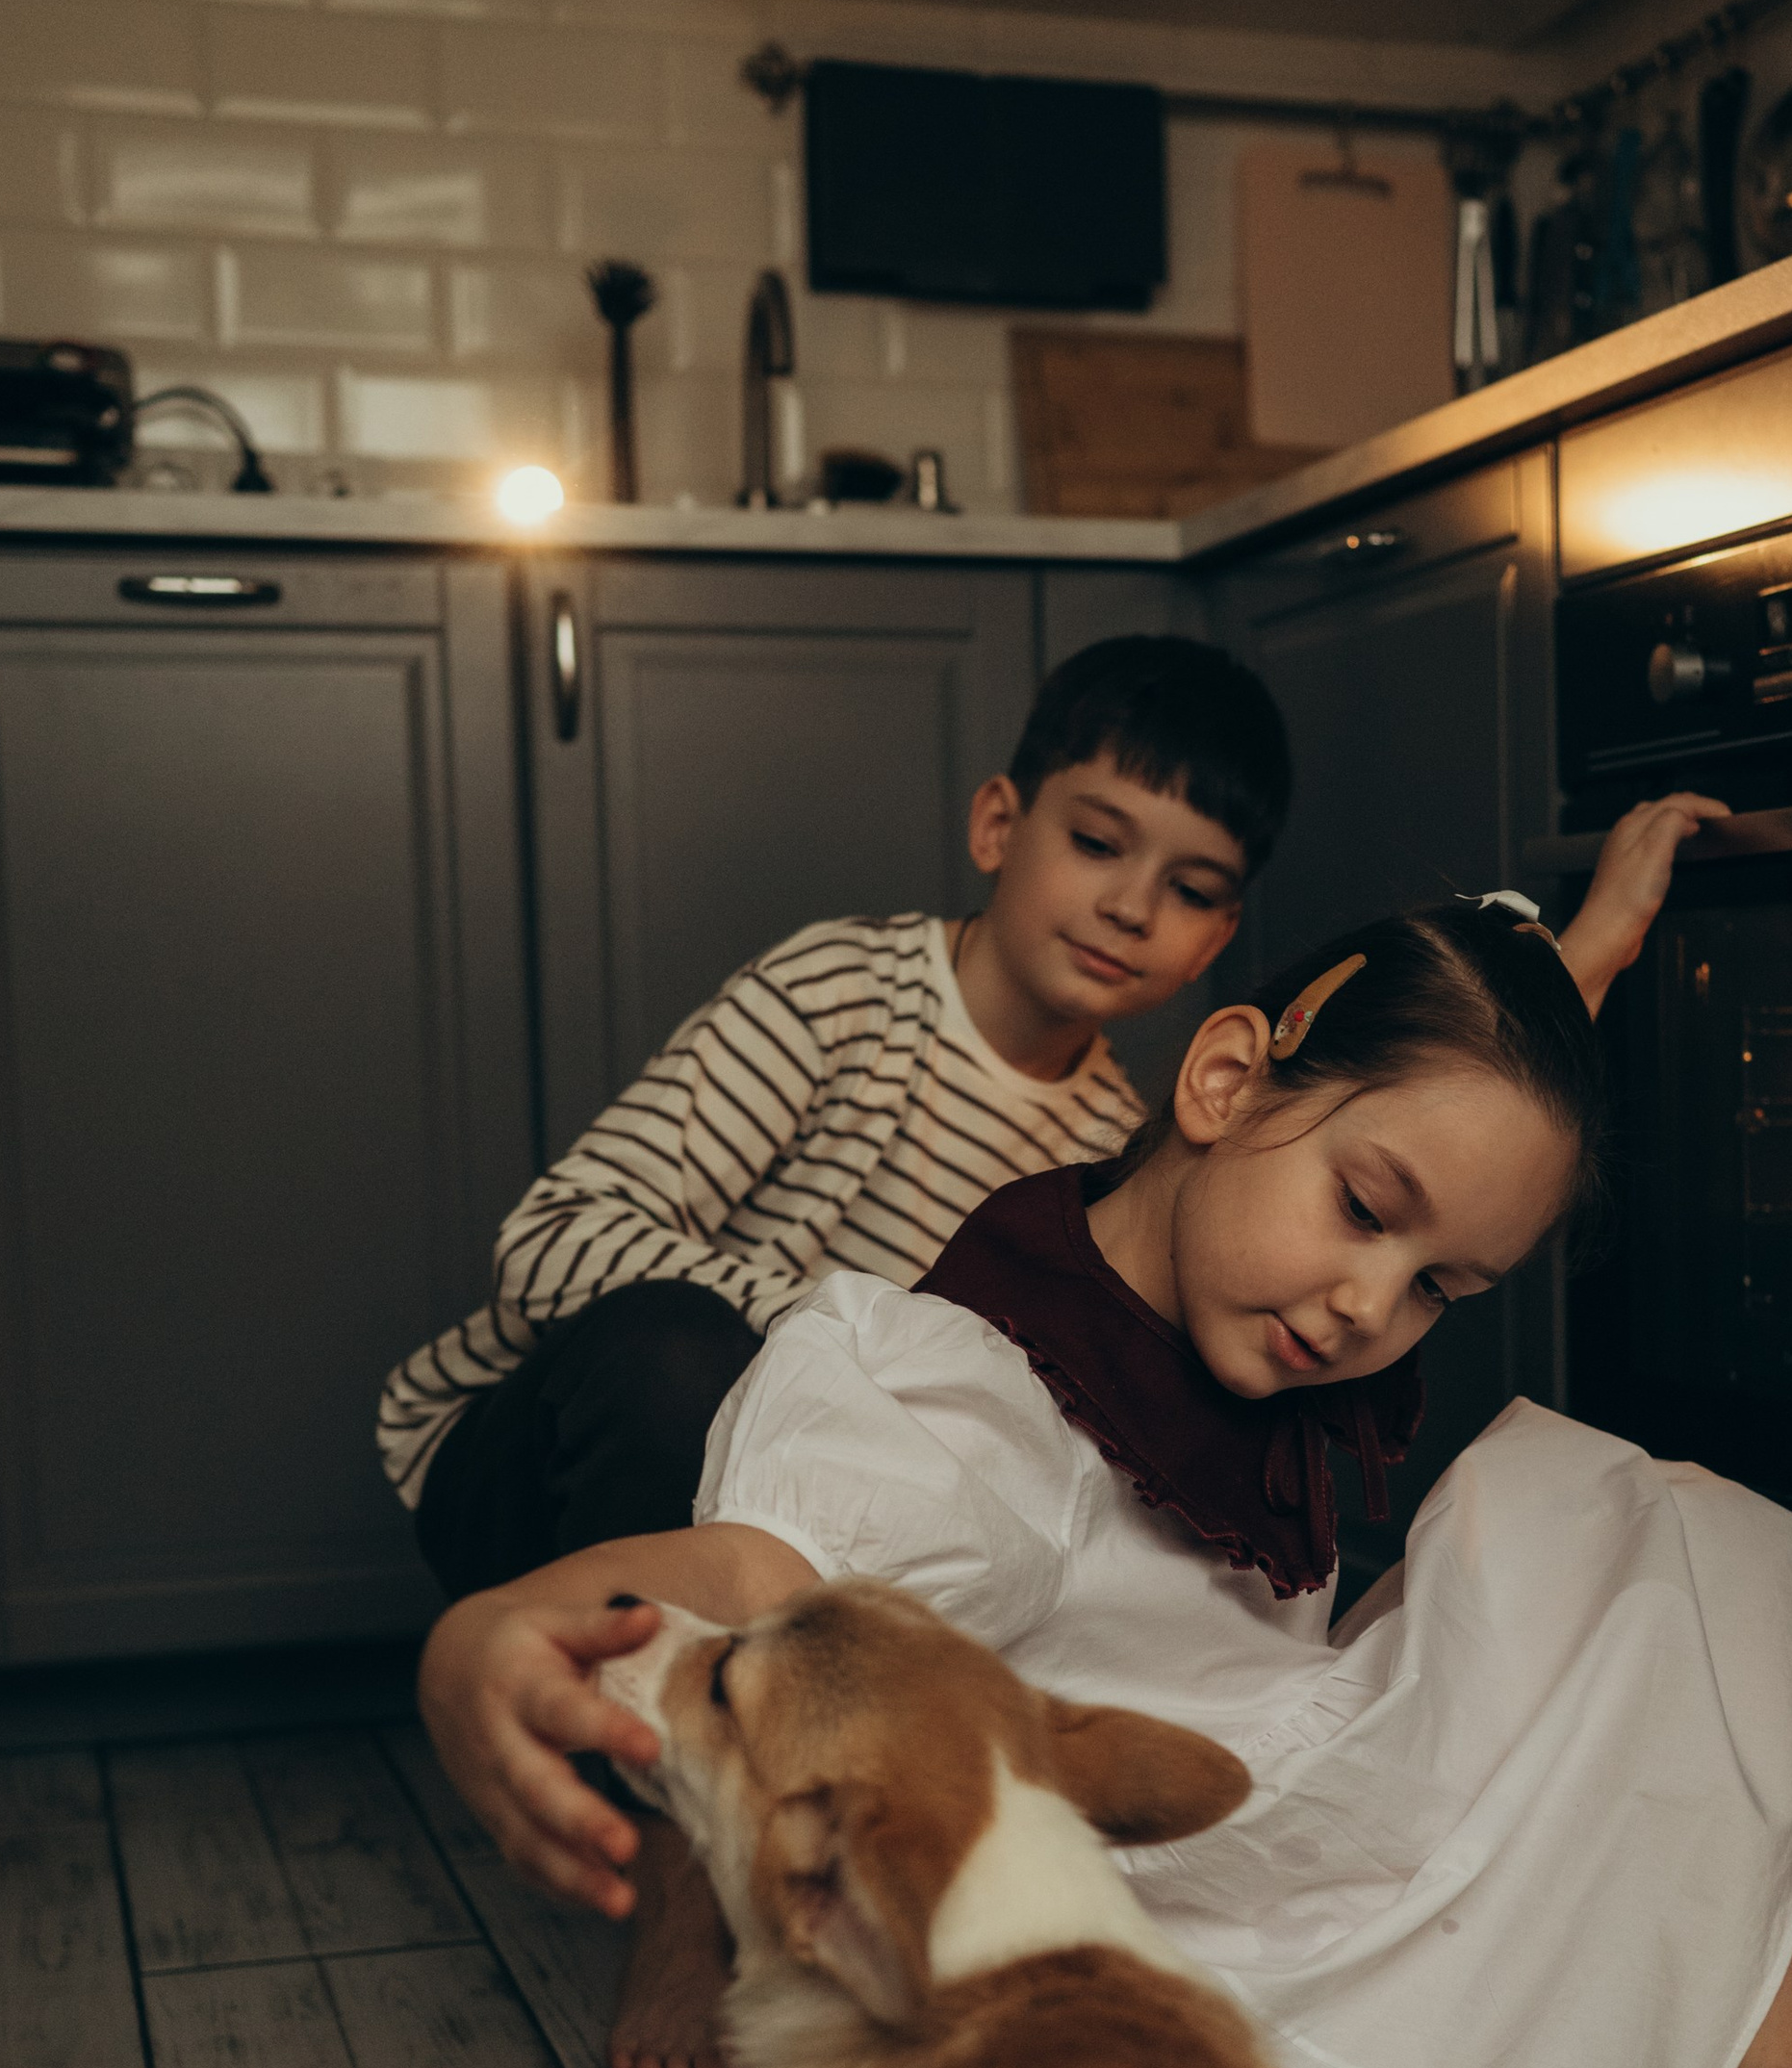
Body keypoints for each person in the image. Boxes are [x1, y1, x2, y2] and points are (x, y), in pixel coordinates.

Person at [419, 805, 1792, 2068]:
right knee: (1647, 1526)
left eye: (1444, 1285)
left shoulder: (1257, 1229)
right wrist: (500, 1626)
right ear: (1222, 1078)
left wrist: (1580, 956)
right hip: (1207, 1935)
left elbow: (1444, 1082)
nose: (1374, 1304)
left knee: (1660, 1520)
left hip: (1269, 1847)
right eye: (1368, 1215)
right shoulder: (964, 1395)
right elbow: (775, 1592)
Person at [379, 631, 1288, 1609]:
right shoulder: (842, 993)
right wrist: (848, 1338)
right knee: (678, 1352)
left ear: (1217, 941)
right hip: (540, 1475)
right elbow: (546, 1244)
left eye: (1190, 891)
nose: (1131, 906)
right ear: (997, 825)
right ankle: (607, 1746)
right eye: (1097, 844)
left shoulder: (1113, 1159)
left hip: (797, 1522)